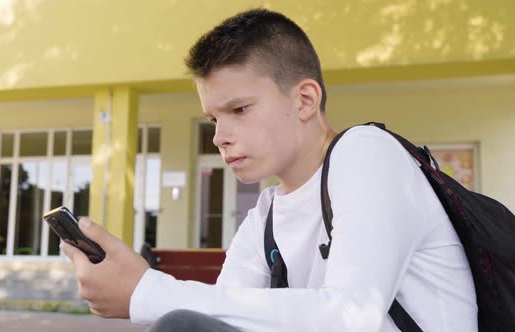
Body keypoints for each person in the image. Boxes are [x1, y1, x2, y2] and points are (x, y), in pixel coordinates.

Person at [61, 9, 478, 332]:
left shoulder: (368, 153)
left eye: (239, 109)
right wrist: (142, 289)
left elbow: (352, 317)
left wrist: (148, 290)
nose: (219, 137)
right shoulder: (265, 216)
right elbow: (224, 319)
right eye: (213, 119)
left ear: (304, 100)